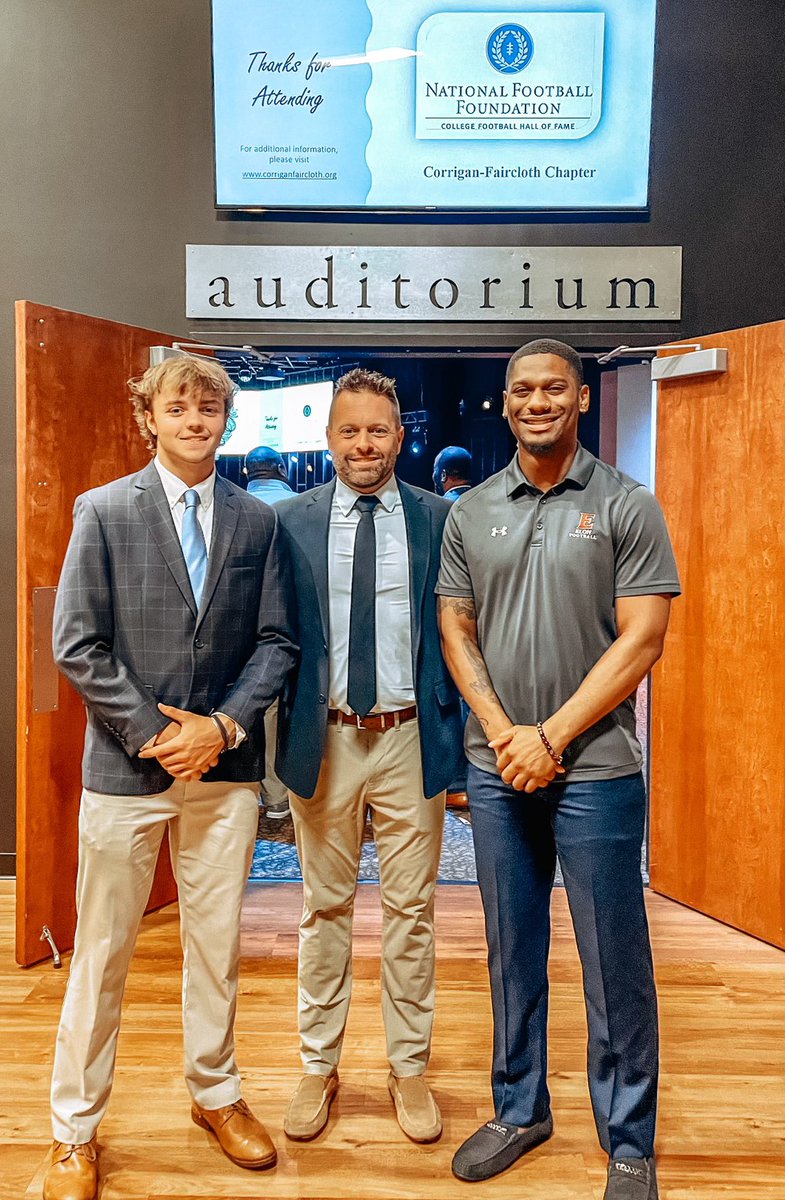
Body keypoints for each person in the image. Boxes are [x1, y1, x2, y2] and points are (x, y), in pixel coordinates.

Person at [43, 357, 297, 1200]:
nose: (196, 420)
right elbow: (78, 643)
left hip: (224, 770)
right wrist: (160, 735)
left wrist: (221, 728)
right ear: (147, 418)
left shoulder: (257, 523)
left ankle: (215, 1094)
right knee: (102, 952)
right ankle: (74, 1132)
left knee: (215, 947)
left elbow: (276, 645)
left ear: (227, 420)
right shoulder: (105, 511)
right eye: (178, 407)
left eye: (210, 408)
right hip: (127, 768)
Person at [436, 339, 680, 1200]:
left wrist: (553, 737)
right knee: (511, 948)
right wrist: (506, 733)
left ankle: (628, 1140)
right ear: (504, 405)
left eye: (553, 389)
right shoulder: (470, 513)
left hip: (598, 769)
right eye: (521, 391)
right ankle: (519, 1109)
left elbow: (641, 638)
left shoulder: (625, 505)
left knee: (613, 957)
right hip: (499, 766)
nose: (536, 402)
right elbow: (456, 631)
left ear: (579, 398)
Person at [274, 367, 463, 1145]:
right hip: (326, 737)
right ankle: (318, 1065)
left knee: (412, 912)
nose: (362, 443)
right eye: (349, 430)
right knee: (324, 909)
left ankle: (407, 1067)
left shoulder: (438, 518)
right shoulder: (288, 521)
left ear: (399, 435)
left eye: (377, 430)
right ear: (328, 436)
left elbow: (459, 630)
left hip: (410, 733)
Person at [244, 445, 295, 819]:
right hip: (300, 628)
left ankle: (266, 795)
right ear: (281, 468)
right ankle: (291, 795)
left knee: (256, 712)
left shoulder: (229, 507)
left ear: (247, 473)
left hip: (244, 634)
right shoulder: (302, 506)